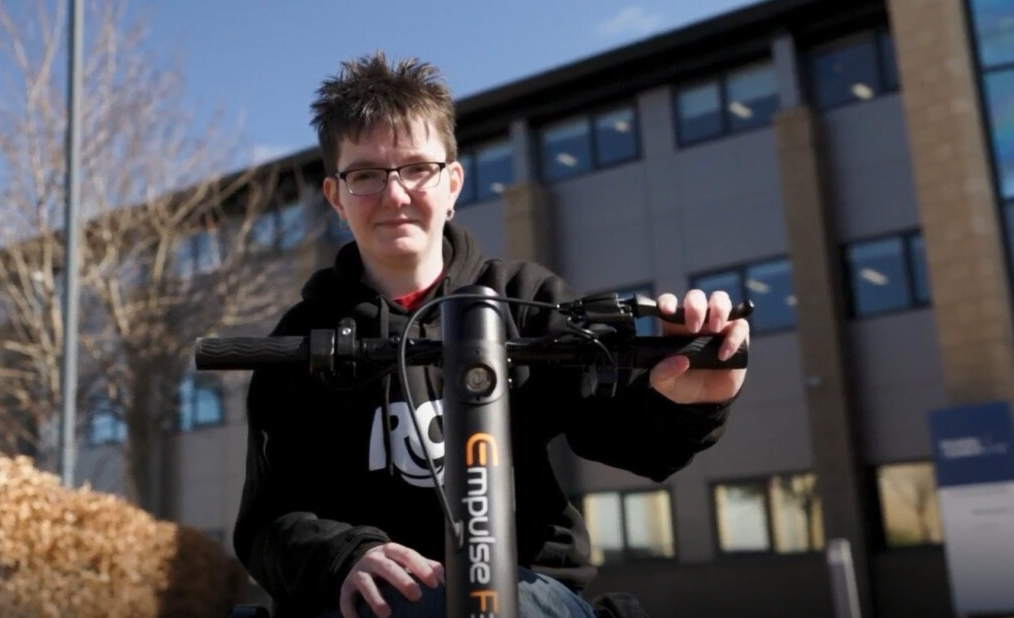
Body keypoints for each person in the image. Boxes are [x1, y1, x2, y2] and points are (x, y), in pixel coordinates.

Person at [232, 51, 750, 618]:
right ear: (336, 196)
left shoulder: (524, 299)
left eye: (417, 169)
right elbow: (267, 522)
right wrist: (345, 558)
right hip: (372, 603)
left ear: (453, 182)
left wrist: (687, 401)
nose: (396, 194)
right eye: (366, 175)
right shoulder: (304, 336)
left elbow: (618, 435)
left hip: (525, 590)